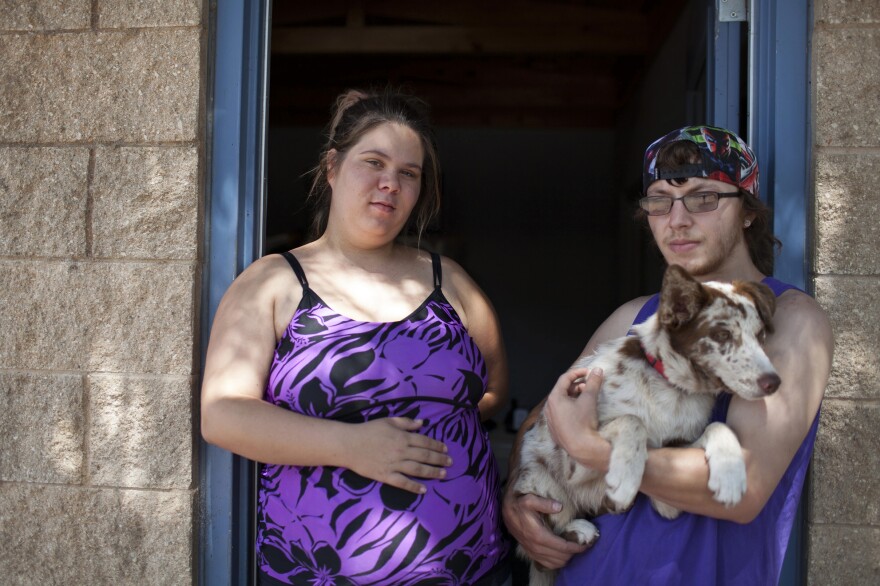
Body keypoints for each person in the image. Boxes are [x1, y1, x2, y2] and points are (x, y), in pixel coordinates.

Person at [201, 88, 512, 585]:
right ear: (332, 167)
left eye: (409, 174)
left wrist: (434, 428)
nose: (391, 183)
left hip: (473, 569)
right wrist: (351, 445)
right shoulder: (273, 282)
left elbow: (493, 390)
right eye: (374, 162)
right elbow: (223, 415)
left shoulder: (449, 280)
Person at [503, 125, 832, 585]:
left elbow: (746, 486)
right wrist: (517, 503)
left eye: (703, 198)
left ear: (748, 213)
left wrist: (593, 450)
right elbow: (542, 417)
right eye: (660, 200)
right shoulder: (635, 317)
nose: (677, 220)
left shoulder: (791, 319)